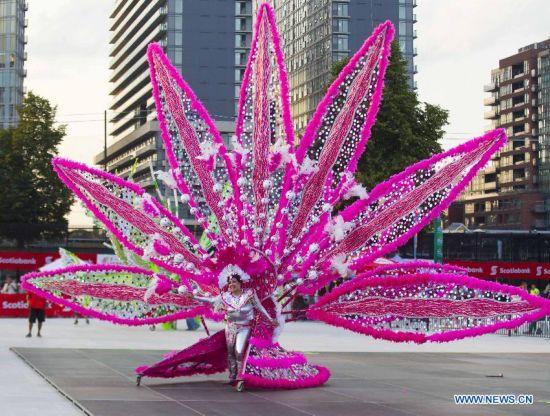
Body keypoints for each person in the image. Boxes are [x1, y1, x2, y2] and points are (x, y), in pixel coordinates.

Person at [187, 272, 277, 388]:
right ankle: (232, 376)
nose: (231, 284)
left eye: (234, 282)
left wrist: (270, 319)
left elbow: (259, 307)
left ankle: (241, 377)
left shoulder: (249, 294)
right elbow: (211, 300)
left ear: (240, 283)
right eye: (230, 282)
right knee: (230, 353)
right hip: (230, 327)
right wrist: (194, 296)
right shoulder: (225, 296)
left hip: (245, 327)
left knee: (239, 352)